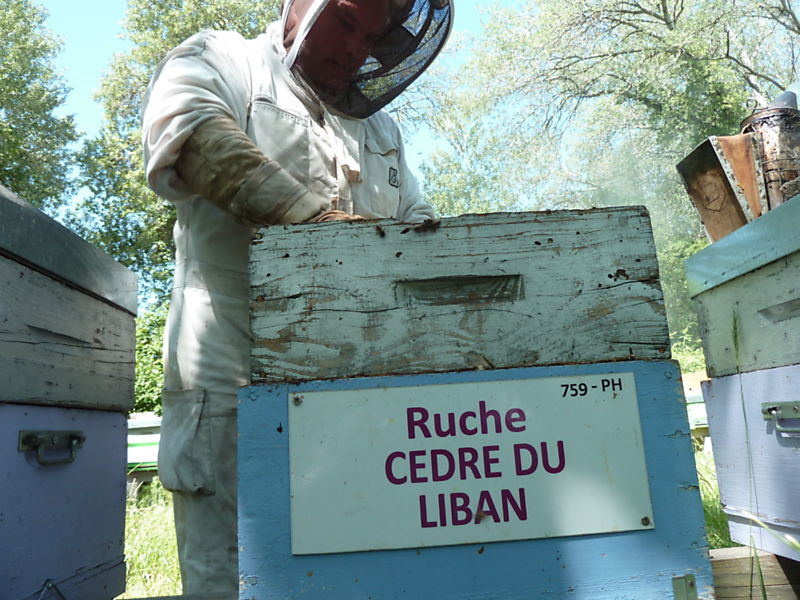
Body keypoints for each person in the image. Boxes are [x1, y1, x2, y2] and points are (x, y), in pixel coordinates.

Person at [140, 0, 453, 592]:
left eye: (372, 36)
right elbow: (189, 128)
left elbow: (419, 225)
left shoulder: (381, 132)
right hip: (232, 389)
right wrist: (316, 224)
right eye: (345, 21)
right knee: (226, 582)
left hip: (358, 406)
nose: (355, 48)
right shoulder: (225, 60)